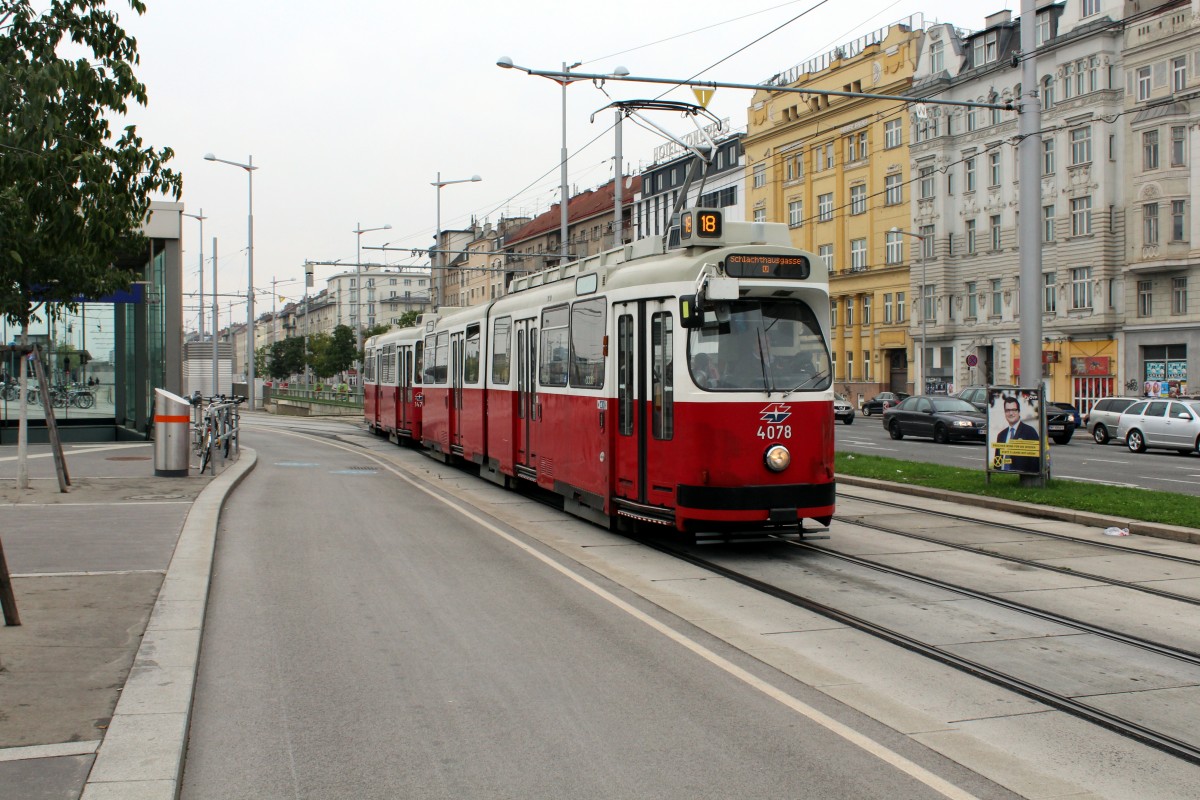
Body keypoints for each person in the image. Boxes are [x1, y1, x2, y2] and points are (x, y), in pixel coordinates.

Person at [994, 395, 1041, 473]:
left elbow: (1035, 460)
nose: (1011, 413)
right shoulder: (1001, 435)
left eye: (1014, 410)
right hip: (1003, 476)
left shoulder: (1030, 432)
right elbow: (997, 462)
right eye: (1007, 410)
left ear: (1019, 412)